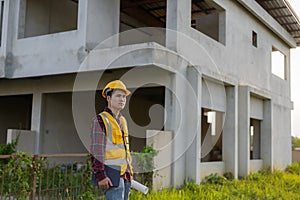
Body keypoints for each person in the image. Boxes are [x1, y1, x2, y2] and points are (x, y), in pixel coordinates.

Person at [90, 80, 133, 200]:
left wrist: (129, 172)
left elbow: (124, 149)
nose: (122, 99)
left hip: (125, 176)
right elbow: (96, 150)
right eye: (118, 96)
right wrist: (101, 175)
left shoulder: (123, 121)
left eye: (124, 96)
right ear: (108, 98)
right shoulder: (101, 120)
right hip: (111, 176)